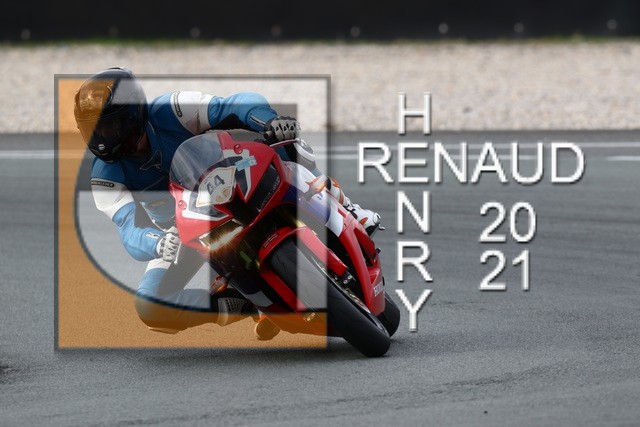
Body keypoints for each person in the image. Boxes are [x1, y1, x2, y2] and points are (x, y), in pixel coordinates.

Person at [73, 67, 381, 340]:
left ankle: (347, 207)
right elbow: (129, 229)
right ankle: (246, 303)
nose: (100, 139)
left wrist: (270, 121)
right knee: (150, 306)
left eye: (107, 127)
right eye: (92, 130)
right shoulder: (103, 178)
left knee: (283, 142)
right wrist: (157, 243)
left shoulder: (173, 108)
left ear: (132, 115)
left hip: (234, 178)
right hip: (183, 230)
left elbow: (235, 104)